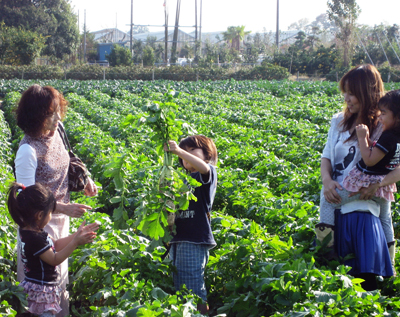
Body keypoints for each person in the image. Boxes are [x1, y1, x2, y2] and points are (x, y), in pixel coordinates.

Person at [15, 84, 98, 316]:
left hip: (59, 217)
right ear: (35, 117)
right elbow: (27, 200)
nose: (57, 117)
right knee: (41, 285)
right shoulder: (27, 151)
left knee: (59, 283)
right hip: (39, 223)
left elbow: (69, 156)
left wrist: (86, 178)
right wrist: (64, 207)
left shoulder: (58, 130)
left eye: (57, 110)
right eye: (50, 114)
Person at [316, 64, 398, 291]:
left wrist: (377, 184)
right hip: (338, 191)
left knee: (383, 217)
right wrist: (327, 180)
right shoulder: (338, 121)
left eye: (352, 93)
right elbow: (327, 156)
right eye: (345, 92)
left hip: (365, 201)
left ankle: (386, 257)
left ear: (366, 93)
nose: (346, 98)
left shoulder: (384, 127)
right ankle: (328, 248)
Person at [7, 182, 99, 317]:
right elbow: (54, 259)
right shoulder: (35, 238)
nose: (50, 216)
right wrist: (75, 242)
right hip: (40, 293)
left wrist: (77, 235)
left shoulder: (30, 230)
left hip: (37, 288)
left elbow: (55, 244)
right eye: (50, 212)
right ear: (39, 215)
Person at [164, 135, 218, 315]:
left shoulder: (207, 173)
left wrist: (178, 151)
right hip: (178, 238)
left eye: (191, 151)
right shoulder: (181, 180)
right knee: (180, 283)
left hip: (194, 239)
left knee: (193, 286)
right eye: (182, 155)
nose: (185, 157)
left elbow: (204, 168)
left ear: (207, 154)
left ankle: (201, 314)